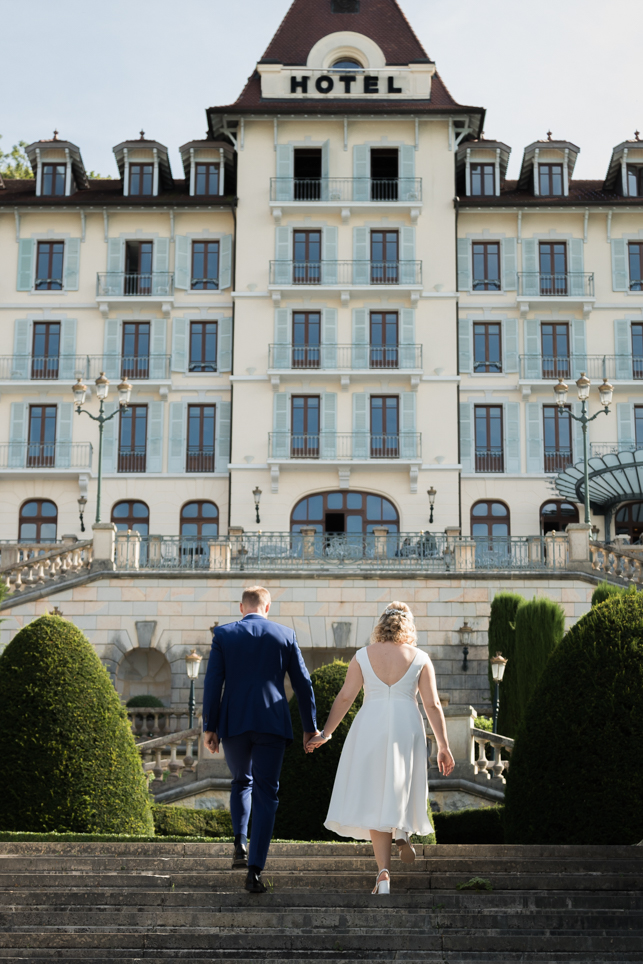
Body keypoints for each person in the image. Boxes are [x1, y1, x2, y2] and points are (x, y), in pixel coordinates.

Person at [306, 601, 455, 896]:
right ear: (408, 626)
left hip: (370, 723)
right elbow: (433, 705)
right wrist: (443, 746)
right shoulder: (421, 657)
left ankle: (383, 874)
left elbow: (346, 697)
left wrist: (326, 732)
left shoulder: (362, 655)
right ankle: (401, 831)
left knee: (376, 791)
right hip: (406, 724)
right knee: (401, 781)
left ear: (381, 625)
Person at [202, 585, 318, 894]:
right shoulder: (284, 634)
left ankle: (239, 842)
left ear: (242, 607)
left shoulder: (223, 635)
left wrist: (209, 726)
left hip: (234, 723)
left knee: (242, 781)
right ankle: (254, 870)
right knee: (267, 793)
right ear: (267, 608)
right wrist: (310, 726)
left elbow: (213, 683)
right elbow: (303, 684)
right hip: (272, 722)